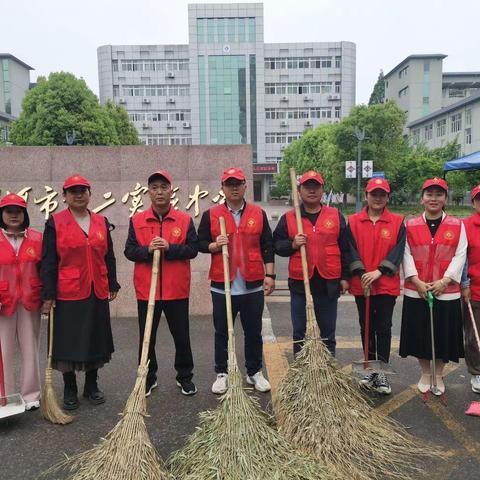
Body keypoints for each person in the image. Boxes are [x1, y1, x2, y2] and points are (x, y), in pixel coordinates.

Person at [41, 174, 120, 410]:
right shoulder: (55, 223)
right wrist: (48, 293)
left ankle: (92, 385)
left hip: (97, 289)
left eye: (83, 190)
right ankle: (70, 387)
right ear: (64, 196)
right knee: (69, 341)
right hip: (67, 292)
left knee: (96, 337)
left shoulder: (101, 221)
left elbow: (109, 256)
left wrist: (112, 283)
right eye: (73, 191)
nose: (78, 194)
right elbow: (48, 261)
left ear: (89, 194)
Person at [198, 167, 275, 395]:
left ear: (245, 186)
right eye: (228, 183)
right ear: (222, 188)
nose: (233, 187)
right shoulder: (211, 215)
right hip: (223, 286)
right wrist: (214, 245)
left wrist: (269, 276)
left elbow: (268, 246)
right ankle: (222, 373)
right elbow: (199, 243)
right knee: (223, 331)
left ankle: (254, 372)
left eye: (237, 183)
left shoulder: (257, 213)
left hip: (252, 285)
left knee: (253, 331)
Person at [124, 170, 198, 396]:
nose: (159, 192)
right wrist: (147, 250)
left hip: (176, 290)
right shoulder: (137, 220)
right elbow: (129, 251)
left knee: (182, 336)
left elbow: (192, 250)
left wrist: (170, 248)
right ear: (148, 192)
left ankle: (184, 376)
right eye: (154, 187)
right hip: (147, 290)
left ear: (170, 191)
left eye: (163, 187)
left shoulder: (184, 220)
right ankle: (147, 377)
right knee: (147, 336)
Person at [400, 177, 466, 395]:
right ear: (422, 198)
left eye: (439, 194)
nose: (434, 198)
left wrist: (446, 280)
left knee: (444, 335)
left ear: (445, 198)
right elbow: (406, 253)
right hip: (417, 290)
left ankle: (439, 374)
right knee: (420, 334)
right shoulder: (410, 224)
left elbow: (460, 254)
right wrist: (416, 280)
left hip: (446, 291)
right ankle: (425, 373)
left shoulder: (457, 225)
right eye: (429, 194)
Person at [273, 170, 349, 357]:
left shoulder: (335, 215)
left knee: (327, 332)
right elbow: (276, 245)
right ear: (299, 190)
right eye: (307, 187)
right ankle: (301, 371)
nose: (312, 191)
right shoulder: (290, 217)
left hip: (329, 283)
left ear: (322, 190)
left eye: (316, 187)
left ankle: (327, 370)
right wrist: (292, 244)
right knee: (300, 331)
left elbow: (346, 248)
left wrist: (346, 277)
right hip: (300, 283)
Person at [347, 178, 405, 394]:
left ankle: (382, 373)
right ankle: (369, 369)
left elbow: (398, 251)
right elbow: (349, 249)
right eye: (374, 194)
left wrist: (379, 271)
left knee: (383, 328)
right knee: (366, 327)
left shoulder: (397, 222)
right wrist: (363, 273)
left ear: (388, 197)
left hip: (385, 285)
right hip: (362, 284)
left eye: (382, 194)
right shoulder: (353, 221)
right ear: (366, 196)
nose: (378, 198)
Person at [0, 193, 42, 411]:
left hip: (30, 301)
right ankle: (4, 397)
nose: (14, 215)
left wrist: (46, 297)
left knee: (30, 349)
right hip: (2, 304)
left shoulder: (37, 238)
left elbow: (45, 270)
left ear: (25, 214)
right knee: (3, 351)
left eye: (18, 211)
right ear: (2, 214)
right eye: (9, 211)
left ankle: (31, 395)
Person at [460, 183, 480, 394]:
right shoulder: (466, 226)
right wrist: (464, 283)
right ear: (473, 203)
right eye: (479, 199)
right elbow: (463, 258)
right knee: (474, 335)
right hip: (475, 289)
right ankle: (477, 372)